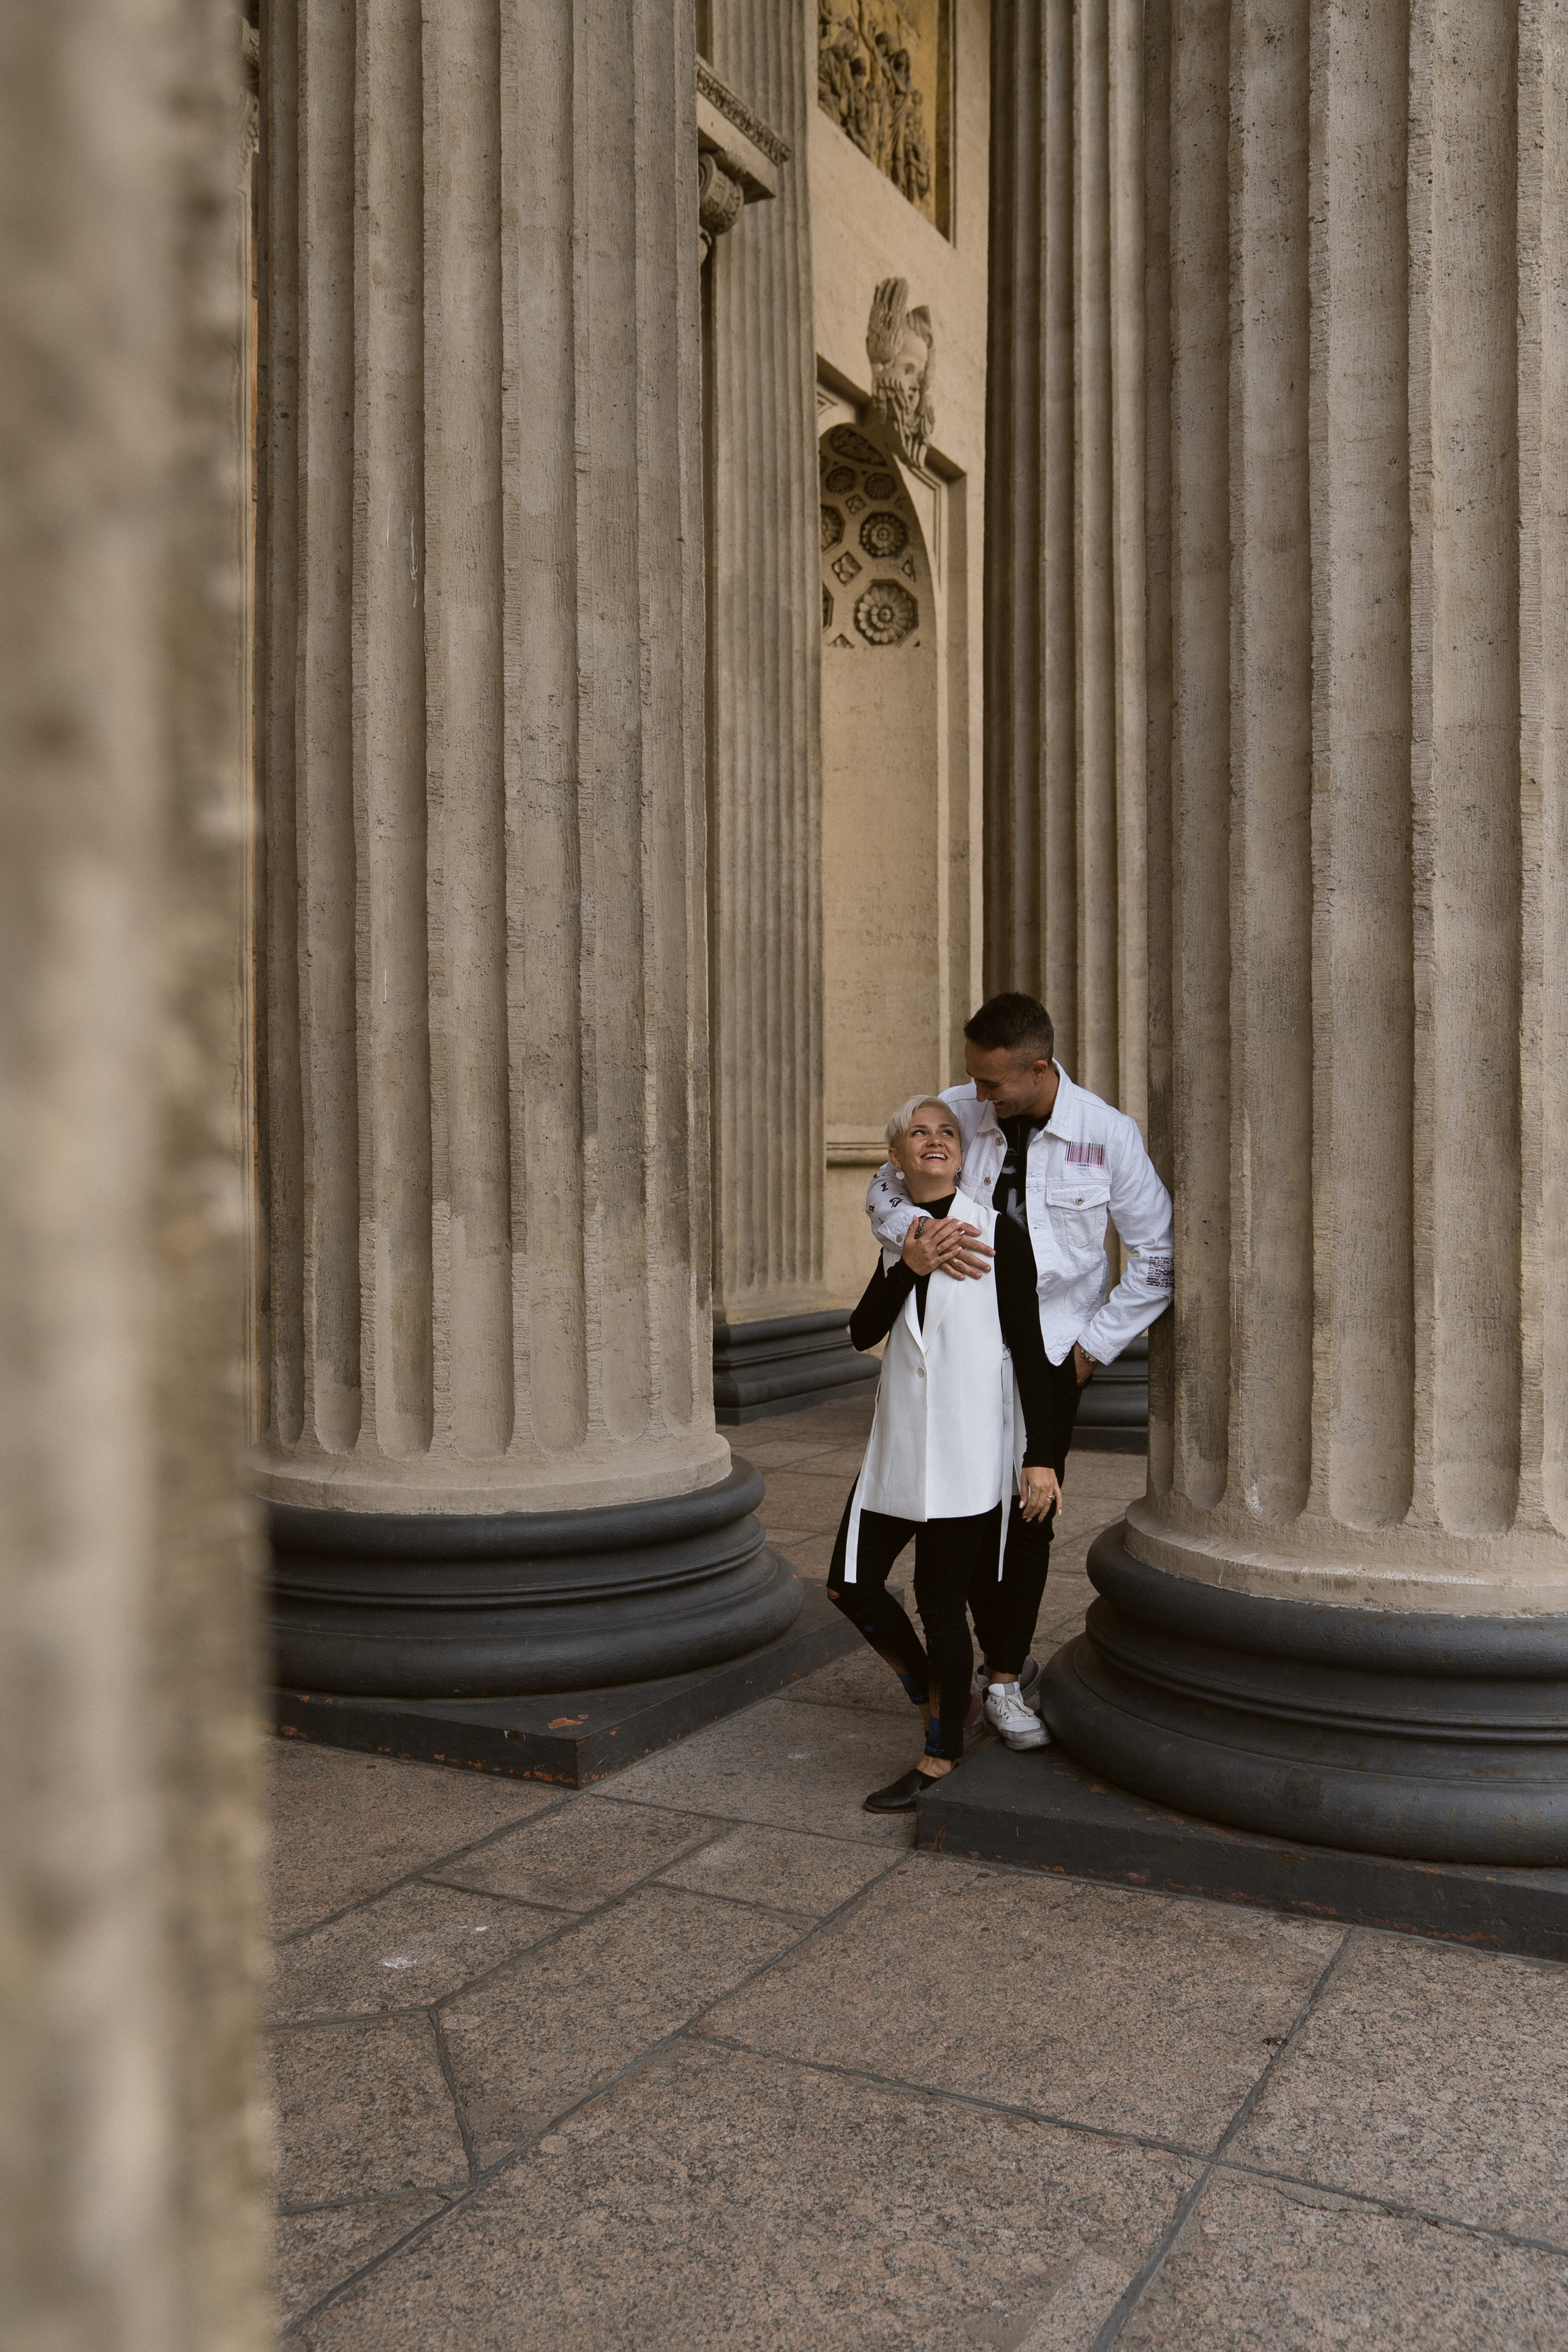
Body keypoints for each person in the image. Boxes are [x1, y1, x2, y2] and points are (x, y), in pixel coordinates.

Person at [864, 994, 1174, 1751]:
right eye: (973, 1078)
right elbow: (883, 1188)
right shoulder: (958, 1112)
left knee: (1031, 1516)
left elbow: (1157, 1258)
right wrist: (924, 1235)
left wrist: (1089, 1350)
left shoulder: (1107, 1134)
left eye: (992, 1083)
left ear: (1038, 1070)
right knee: (967, 1511)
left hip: (1053, 1351)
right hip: (963, 1348)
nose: (977, 1095)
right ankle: (969, 1660)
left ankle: (1004, 1679)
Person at [826, 1095, 1072, 1814]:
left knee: (940, 1606)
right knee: (849, 1585)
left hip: (967, 1450)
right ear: (896, 1155)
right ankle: (942, 1696)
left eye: (946, 1132)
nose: (933, 1140)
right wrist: (908, 1265)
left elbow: (1032, 1351)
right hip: (898, 1446)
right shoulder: (899, 1236)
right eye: (917, 1132)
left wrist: (1039, 1456)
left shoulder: (998, 1233)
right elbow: (862, 1331)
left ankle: (939, 1755)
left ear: (961, 1155)